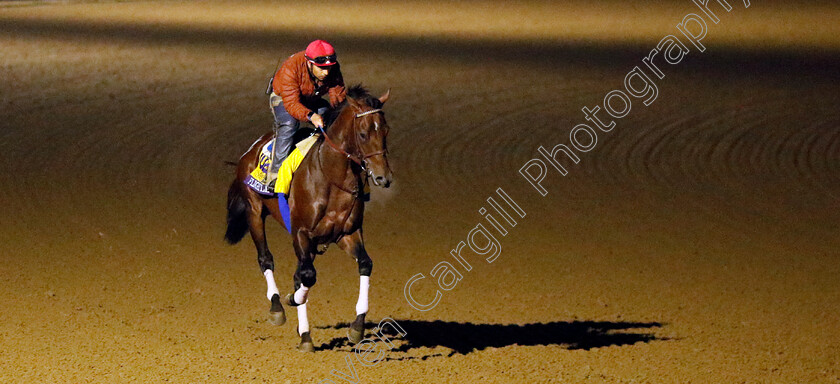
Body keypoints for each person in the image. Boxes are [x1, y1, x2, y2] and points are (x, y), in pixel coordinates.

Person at [267, 39, 346, 184]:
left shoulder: (332, 69)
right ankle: (275, 175)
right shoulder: (290, 68)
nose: (326, 73)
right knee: (289, 124)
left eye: (329, 68)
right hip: (283, 98)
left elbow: (338, 96)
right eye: (321, 68)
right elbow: (291, 104)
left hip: (310, 99)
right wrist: (311, 116)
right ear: (309, 63)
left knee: (333, 120)